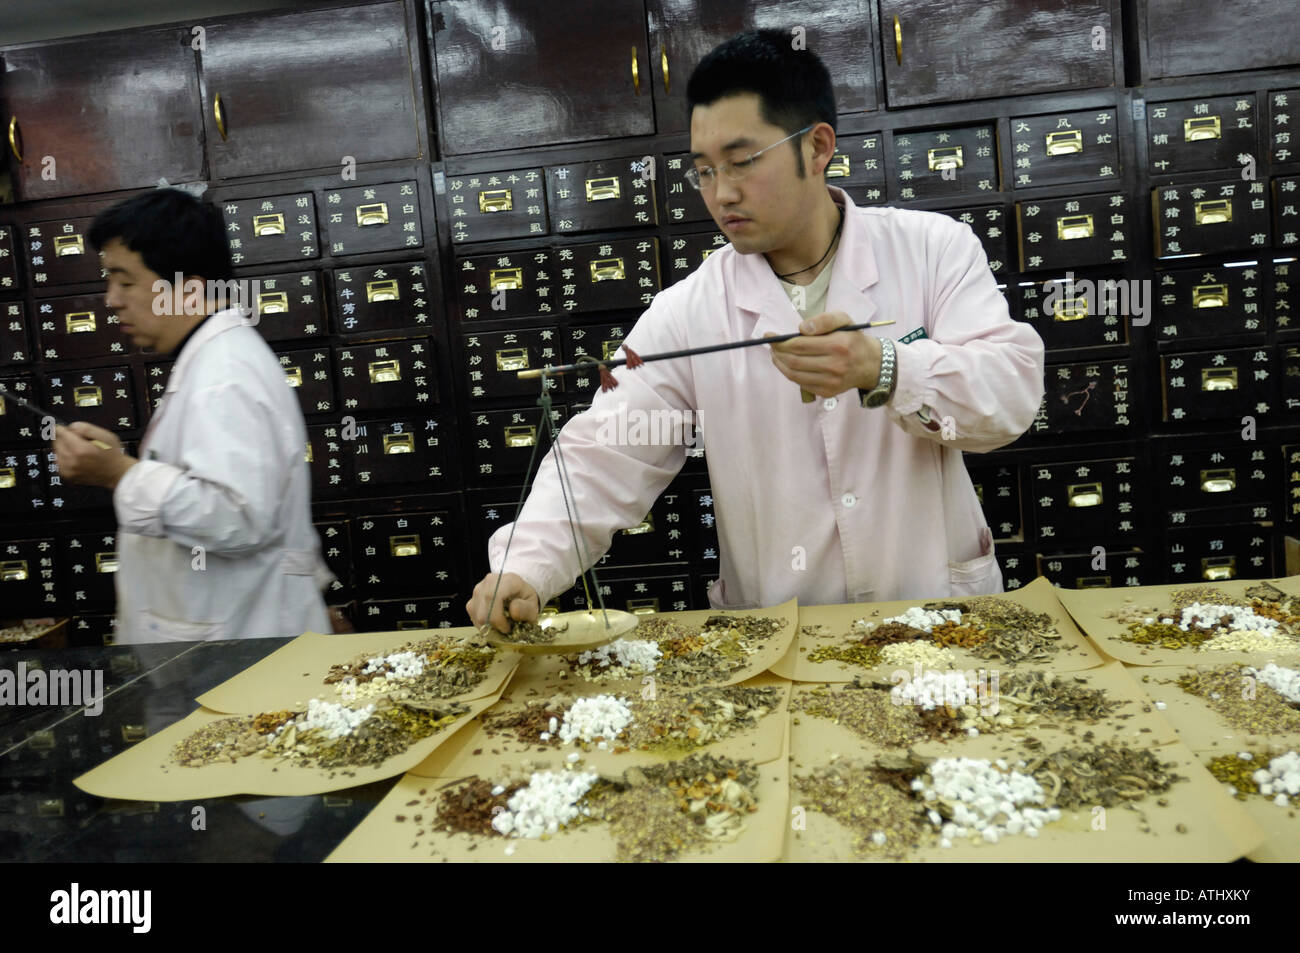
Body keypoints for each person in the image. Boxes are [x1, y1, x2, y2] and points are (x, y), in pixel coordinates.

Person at [467, 30, 1046, 633]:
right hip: (777, 633)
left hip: (932, 610)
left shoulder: (932, 251)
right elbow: (605, 451)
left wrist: (886, 369)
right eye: (704, 172)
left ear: (817, 147)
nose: (723, 193)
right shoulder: (689, 309)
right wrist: (526, 565)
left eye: (743, 162)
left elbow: (1007, 398)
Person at [54, 188, 333, 643]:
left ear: (189, 289)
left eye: (125, 281)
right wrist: (125, 467)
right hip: (226, 645)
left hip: (239, 654)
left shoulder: (224, 373)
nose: (111, 300)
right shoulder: (211, 358)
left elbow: (240, 517)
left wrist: (121, 476)